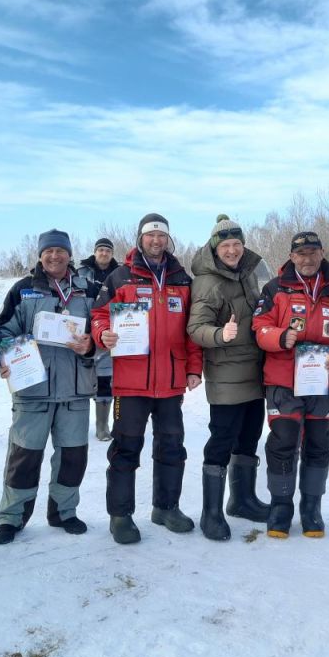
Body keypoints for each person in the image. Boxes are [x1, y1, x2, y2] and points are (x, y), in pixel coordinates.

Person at [91, 213, 203, 544]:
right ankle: (120, 515)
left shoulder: (182, 280)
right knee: (126, 449)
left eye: (162, 236)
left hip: (170, 382)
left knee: (172, 447)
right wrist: (103, 333)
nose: (156, 240)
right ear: (140, 239)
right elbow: (98, 315)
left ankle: (166, 508)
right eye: (150, 235)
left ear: (168, 240)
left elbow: (192, 331)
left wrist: (194, 367)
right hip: (131, 383)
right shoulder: (120, 277)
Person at [0, 229, 97, 544]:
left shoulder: (88, 290)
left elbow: (102, 333)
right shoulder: (23, 290)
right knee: (24, 457)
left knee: (72, 457)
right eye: (48, 251)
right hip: (33, 388)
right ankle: (12, 517)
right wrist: (10, 355)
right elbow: (2, 331)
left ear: (69, 254)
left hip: (75, 388)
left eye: (60, 251)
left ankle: (64, 512)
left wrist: (90, 346)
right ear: (40, 256)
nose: (55, 256)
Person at [252, 231, 329, 539]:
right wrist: (279, 336)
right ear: (291, 257)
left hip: (323, 381)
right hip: (283, 380)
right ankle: (281, 505)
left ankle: (312, 507)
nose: (307, 259)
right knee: (282, 443)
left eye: (313, 252)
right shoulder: (274, 288)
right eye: (301, 254)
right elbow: (259, 326)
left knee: (319, 444)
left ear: (322, 253)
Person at [187, 215, 269, 541]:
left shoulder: (249, 274)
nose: (232, 250)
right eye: (226, 245)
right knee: (221, 442)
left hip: (255, 372)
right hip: (226, 378)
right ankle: (211, 513)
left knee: (249, 438)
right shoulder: (208, 282)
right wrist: (221, 333)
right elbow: (195, 329)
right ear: (215, 248)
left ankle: (243, 500)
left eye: (237, 244)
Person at [77, 237, 120, 442]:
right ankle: (71, 423)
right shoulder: (81, 273)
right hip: (83, 331)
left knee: (105, 378)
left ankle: (102, 426)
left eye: (108, 250)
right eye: (101, 250)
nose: (104, 253)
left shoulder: (120, 273)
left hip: (107, 331)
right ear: (95, 252)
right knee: (78, 378)